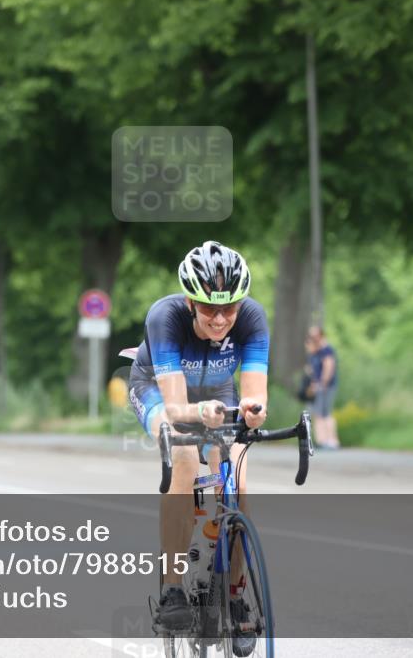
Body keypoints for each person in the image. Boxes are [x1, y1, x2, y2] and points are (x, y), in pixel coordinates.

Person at [127, 241, 268, 653]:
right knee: (185, 458)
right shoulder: (165, 317)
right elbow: (174, 408)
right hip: (156, 388)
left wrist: (253, 412)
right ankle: (173, 588)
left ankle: (236, 595)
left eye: (230, 308)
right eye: (209, 309)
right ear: (190, 301)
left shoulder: (253, 318)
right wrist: (197, 412)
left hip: (217, 393)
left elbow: (255, 397)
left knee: (237, 476)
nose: (221, 319)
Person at [306, 326, 340, 449]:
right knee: (322, 413)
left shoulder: (326, 350)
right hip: (320, 386)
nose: (312, 339)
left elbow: (329, 366)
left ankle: (327, 441)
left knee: (322, 414)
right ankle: (325, 440)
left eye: (314, 336)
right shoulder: (318, 350)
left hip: (325, 387)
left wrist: (322, 383)